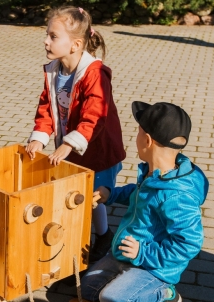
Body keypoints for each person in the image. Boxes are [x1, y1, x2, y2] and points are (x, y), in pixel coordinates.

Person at [77, 101, 208, 302]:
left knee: (115, 301)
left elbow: (189, 244)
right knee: (87, 290)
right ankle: (126, 278)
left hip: (153, 265)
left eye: (137, 133)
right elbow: (140, 195)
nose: (135, 138)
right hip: (129, 254)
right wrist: (112, 194)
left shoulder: (177, 196)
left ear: (147, 140)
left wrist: (143, 253)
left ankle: (165, 294)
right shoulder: (154, 172)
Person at [25, 6, 126, 264]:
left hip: (98, 151)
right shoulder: (54, 71)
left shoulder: (94, 74)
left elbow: (95, 115)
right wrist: (40, 137)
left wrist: (69, 144)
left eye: (53, 36)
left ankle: (87, 248)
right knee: (80, 196)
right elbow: (47, 107)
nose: (46, 41)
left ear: (75, 44)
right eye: (47, 35)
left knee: (89, 198)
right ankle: (92, 240)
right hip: (74, 148)